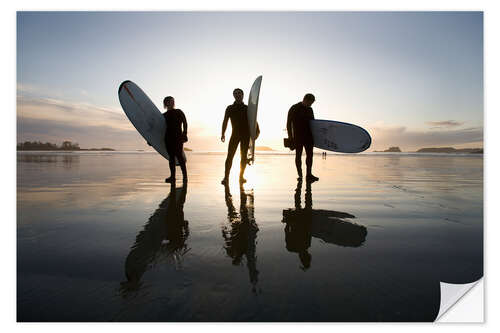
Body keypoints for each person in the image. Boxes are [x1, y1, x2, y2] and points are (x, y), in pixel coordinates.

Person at [221, 88, 259, 184]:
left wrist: (257, 132)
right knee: (230, 156)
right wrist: (223, 133)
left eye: (239, 93)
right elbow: (225, 121)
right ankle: (226, 178)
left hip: (245, 136)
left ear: (243, 95)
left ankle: (241, 177)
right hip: (235, 135)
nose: (237, 95)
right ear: (233, 95)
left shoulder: (247, 108)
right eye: (236, 93)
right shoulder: (230, 108)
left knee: (243, 158)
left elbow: (254, 121)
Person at [286, 94, 319, 182]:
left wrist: (316, 137)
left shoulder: (310, 109)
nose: (311, 104)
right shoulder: (294, 108)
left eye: (312, 103)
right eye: (310, 102)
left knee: (310, 155)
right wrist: (290, 137)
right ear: (305, 99)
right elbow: (288, 123)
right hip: (297, 136)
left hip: (308, 136)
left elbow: (313, 123)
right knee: (298, 155)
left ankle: (309, 174)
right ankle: (300, 175)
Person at [163, 96, 188, 183]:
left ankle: (185, 176)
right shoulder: (164, 116)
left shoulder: (178, 112)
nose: (173, 103)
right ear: (166, 103)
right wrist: (150, 139)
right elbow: (158, 128)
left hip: (178, 137)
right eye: (170, 101)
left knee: (180, 156)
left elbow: (185, 122)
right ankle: (172, 177)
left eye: (173, 101)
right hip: (168, 138)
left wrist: (184, 134)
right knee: (171, 158)